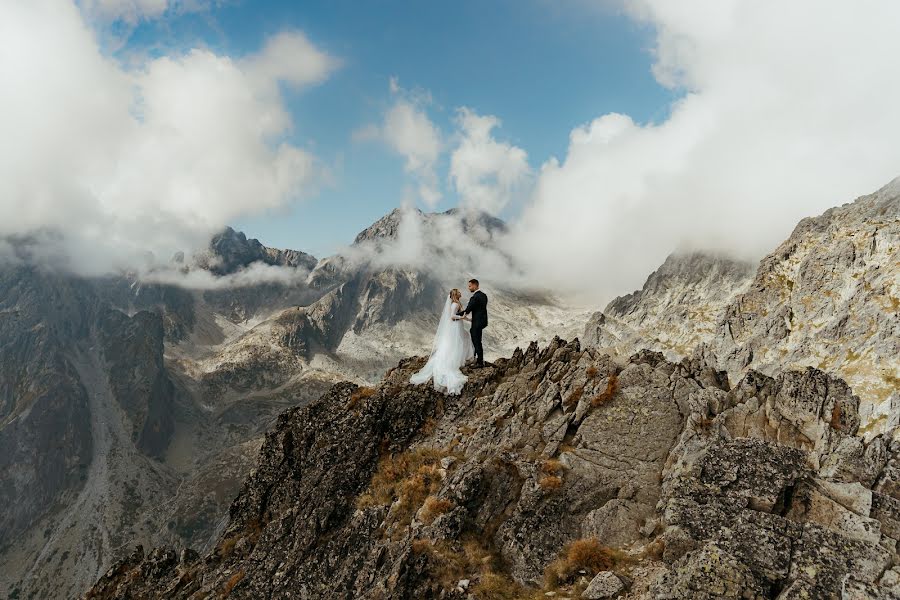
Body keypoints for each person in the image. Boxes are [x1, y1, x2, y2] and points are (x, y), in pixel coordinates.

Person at [409, 288, 474, 395]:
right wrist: (462, 318)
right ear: (455, 294)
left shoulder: (456, 303)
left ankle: (461, 359)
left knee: (463, 338)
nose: (461, 293)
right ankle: (460, 360)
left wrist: (467, 319)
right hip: (455, 326)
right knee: (461, 340)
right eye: (459, 292)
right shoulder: (455, 304)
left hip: (457, 325)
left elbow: (460, 315)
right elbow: (452, 317)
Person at [457, 278, 488, 368]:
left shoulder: (475, 297)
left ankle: (479, 362)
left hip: (476, 322)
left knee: (476, 341)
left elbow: (468, 310)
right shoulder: (484, 295)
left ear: (475, 285)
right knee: (478, 340)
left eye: (470, 286)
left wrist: (456, 315)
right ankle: (478, 359)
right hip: (482, 322)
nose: (469, 288)